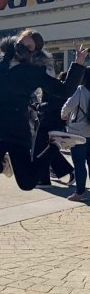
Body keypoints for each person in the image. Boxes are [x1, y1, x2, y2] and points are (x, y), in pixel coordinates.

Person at [0, 18, 87, 191]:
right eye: (21, 43)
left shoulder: (34, 72)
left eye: (29, 47)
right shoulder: (1, 62)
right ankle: (4, 165)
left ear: (35, 52)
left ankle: (55, 144)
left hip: (16, 131)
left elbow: (63, 90)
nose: (23, 48)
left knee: (27, 183)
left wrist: (78, 65)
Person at [34, 71, 75, 188]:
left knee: (42, 149)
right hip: (53, 121)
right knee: (46, 149)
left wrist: (39, 106)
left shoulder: (57, 86)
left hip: (50, 122)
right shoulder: (59, 86)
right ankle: (47, 178)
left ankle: (44, 180)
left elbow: (54, 104)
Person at [61, 66, 90, 201]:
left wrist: (64, 115)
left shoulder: (80, 90)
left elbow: (68, 106)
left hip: (78, 133)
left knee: (79, 164)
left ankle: (80, 193)